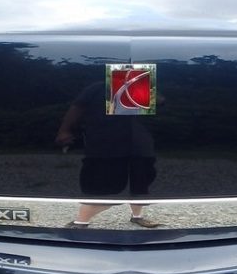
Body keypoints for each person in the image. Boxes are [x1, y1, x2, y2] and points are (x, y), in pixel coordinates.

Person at [55, 81, 160, 228]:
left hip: (139, 142)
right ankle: (80, 221)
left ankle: (137, 216)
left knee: (140, 179)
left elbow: (159, 105)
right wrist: (64, 130)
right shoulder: (97, 87)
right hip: (107, 142)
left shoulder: (141, 84)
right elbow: (77, 107)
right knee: (105, 184)